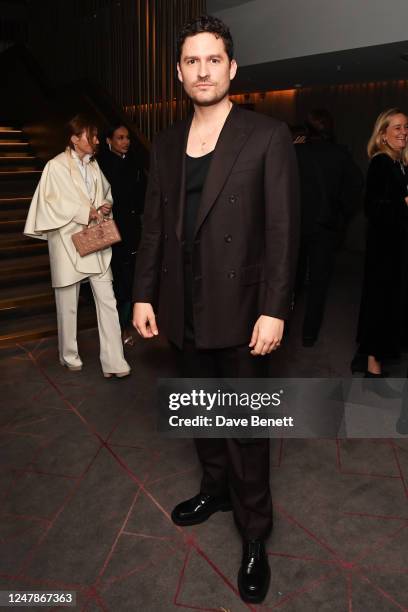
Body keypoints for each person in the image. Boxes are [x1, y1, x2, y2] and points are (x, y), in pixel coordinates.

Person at [132, 15, 299, 604]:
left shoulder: (267, 135)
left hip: (245, 309)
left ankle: (255, 532)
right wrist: (144, 292)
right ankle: (215, 489)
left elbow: (282, 230)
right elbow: (154, 226)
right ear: (179, 73)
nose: (203, 71)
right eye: (192, 62)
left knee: (246, 428)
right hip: (184, 308)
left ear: (232, 68)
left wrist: (274, 308)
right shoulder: (168, 142)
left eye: (213, 60)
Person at [24, 114, 130, 378]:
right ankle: (68, 354)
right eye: (90, 136)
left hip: (95, 240)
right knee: (68, 303)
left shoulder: (93, 165)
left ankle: (114, 361)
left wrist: (106, 205)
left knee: (108, 298)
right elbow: (51, 202)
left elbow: (106, 192)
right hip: (66, 243)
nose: (95, 140)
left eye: (95, 136)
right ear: (74, 138)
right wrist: (86, 211)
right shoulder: (55, 166)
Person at [294, 110, 363, 346]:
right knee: (318, 285)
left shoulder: (295, 152)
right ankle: (309, 335)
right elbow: (356, 187)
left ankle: (281, 327)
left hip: (297, 226)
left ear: (307, 129)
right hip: (326, 228)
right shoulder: (340, 154)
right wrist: (342, 215)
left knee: (291, 280)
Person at [353, 108, 408, 376]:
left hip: (396, 247)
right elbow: (373, 207)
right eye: (397, 127)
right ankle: (372, 370)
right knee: (380, 305)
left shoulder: (399, 163)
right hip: (384, 250)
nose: (403, 132)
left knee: (389, 305)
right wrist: (404, 202)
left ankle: (377, 360)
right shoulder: (381, 163)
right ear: (383, 134)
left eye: (406, 127)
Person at [97, 124, 145, 346]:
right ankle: (116, 329)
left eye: (127, 138)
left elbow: (142, 195)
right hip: (108, 230)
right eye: (120, 138)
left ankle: (123, 326)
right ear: (109, 140)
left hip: (132, 229)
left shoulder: (134, 162)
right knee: (116, 281)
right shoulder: (99, 165)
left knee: (129, 280)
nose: (125, 142)